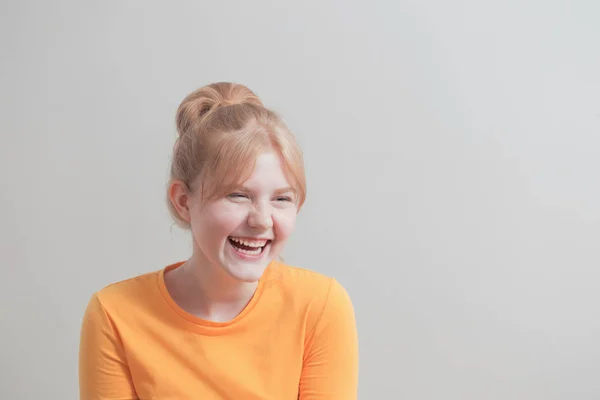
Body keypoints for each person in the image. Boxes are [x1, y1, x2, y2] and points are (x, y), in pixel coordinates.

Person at [78, 82, 359, 399]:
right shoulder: (114, 314)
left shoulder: (319, 306)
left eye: (281, 199)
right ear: (184, 201)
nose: (262, 220)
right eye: (238, 195)